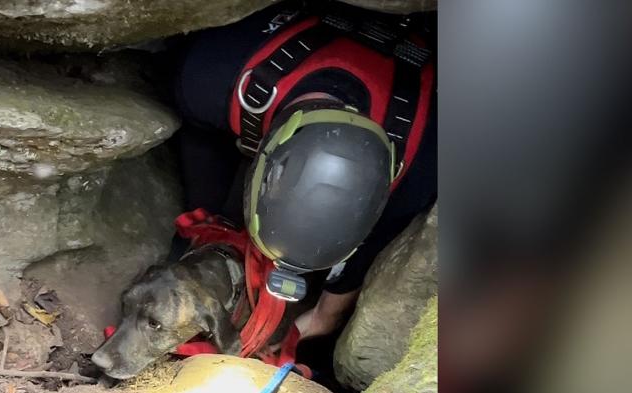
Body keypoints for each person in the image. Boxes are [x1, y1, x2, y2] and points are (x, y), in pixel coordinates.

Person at [172, 0, 437, 342]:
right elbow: (198, 133)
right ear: (260, 158)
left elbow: (344, 290)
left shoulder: (421, 169)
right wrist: (209, 220)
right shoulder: (211, 73)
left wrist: (306, 326)